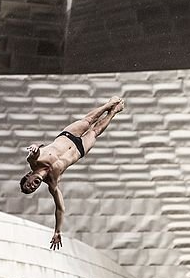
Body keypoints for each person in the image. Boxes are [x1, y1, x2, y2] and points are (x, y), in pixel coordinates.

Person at [19, 96, 125, 249]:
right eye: (31, 190)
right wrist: (57, 231)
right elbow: (60, 208)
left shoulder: (35, 162)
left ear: (28, 176)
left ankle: (108, 105)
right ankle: (113, 112)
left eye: (28, 185)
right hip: (79, 149)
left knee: (88, 120)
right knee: (95, 131)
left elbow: (34, 152)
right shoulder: (52, 183)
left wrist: (35, 148)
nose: (32, 187)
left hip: (68, 136)